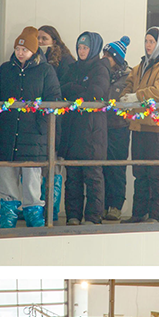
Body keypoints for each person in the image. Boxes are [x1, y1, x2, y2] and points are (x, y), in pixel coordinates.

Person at [0, 27, 62, 227]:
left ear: (34, 51)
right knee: (6, 177)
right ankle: (8, 215)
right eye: (18, 49)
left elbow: (53, 99)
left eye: (25, 50)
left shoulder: (46, 71)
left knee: (32, 180)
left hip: (34, 137)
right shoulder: (5, 69)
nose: (20, 53)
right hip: (7, 133)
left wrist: (41, 124)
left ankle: (34, 217)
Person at [118, 26, 159, 223]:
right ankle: (139, 213)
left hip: (158, 126)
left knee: (156, 170)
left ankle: (157, 213)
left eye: (151, 42)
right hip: (139, 125)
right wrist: (125, 96)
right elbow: (129, 83)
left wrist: (137, 96)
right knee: (140, 171)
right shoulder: (142, 65)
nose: (148, 45)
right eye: (146, 41)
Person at [58, 32, 110, 225]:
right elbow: (62, 89)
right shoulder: (72, 68)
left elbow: (96, 94)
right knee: (72, 177)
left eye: (85, 48)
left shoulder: (101, 68)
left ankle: (93, 217)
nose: (81, 51)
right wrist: (78, 88)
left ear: (94, 49)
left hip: (92, 131)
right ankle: (73, 215)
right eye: (79, 47)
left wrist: (74, 89)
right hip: (73, 131)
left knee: (93, 177)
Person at [38, 25, 75, 221]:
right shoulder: (34, 58)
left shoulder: (66, 61)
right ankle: (37, 207)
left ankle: (51, 210)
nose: (40, 43)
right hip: (38, 120)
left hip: (60, 121)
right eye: (38, 39)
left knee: (54, 164)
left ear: (54, 39)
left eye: (44, 39)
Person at [101, 36, 132, 221]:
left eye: (109, 55)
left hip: (119, 127)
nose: (105, 58)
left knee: (117, 167)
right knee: (101, 167)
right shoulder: (100, 72)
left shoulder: (129, 76)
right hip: (100, 126)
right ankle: (102, 204)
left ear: (118, 59)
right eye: (104, 54)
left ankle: (115, 206)